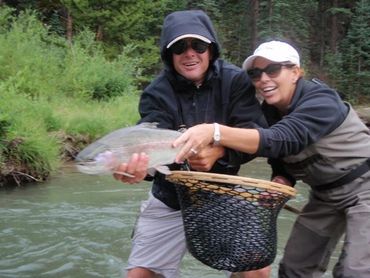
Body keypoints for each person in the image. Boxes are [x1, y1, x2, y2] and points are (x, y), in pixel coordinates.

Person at [173, 40, 370, 277]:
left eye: (273, 70)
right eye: (255, 73)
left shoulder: (322, 101)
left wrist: (215, 131)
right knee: (294, 269)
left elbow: (283, 138)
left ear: (296, 72)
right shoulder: (268, 112)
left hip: (366, 189)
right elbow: (278, 155)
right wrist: (283, 178)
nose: (263, 79)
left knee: (355, 272)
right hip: (324, 196)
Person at [113, 10, 270, 278]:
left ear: (210, 49)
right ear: (168, 54)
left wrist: (220, 152)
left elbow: (255, 134)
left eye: (198, 45)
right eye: (179, 47)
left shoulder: (235, 81)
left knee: (256, 268)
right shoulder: (156, 92)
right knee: (140, 274)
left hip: (225, 194)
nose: (190, 54)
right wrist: (140, 168)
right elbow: (150, 137)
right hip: (169, 196)